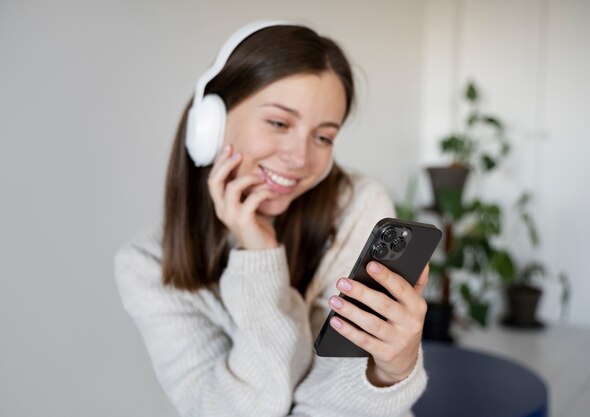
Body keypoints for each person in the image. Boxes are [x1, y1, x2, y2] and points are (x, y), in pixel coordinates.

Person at [115, 21, 429, 417]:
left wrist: (391, 370)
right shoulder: (146, 267)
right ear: (208, 123)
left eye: (323, 137)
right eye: (279, 123)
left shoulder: (359, 207)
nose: (300, 158)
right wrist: (259, 256)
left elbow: (332, 403)